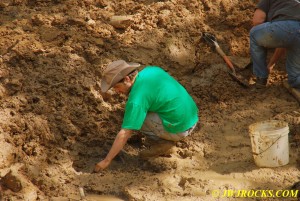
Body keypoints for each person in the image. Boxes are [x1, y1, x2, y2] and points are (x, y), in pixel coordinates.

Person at [94, 60, 199, 172]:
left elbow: (125, 132)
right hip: (192, 117)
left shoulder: (137, 99)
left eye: (116, 87)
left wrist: (106, 161)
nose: (117, 91)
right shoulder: (151, 70)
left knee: (135, 118)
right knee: (139, 112)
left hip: (180, 128)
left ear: (127, 79)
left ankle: (164, 143)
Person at [250, 0, 300, 89]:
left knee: (254, 33)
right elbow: (284, 41)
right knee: (295, 78)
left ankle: (261, 78)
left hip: (283, 28)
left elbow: (257, 21)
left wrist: (269, 29)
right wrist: (271, 63)